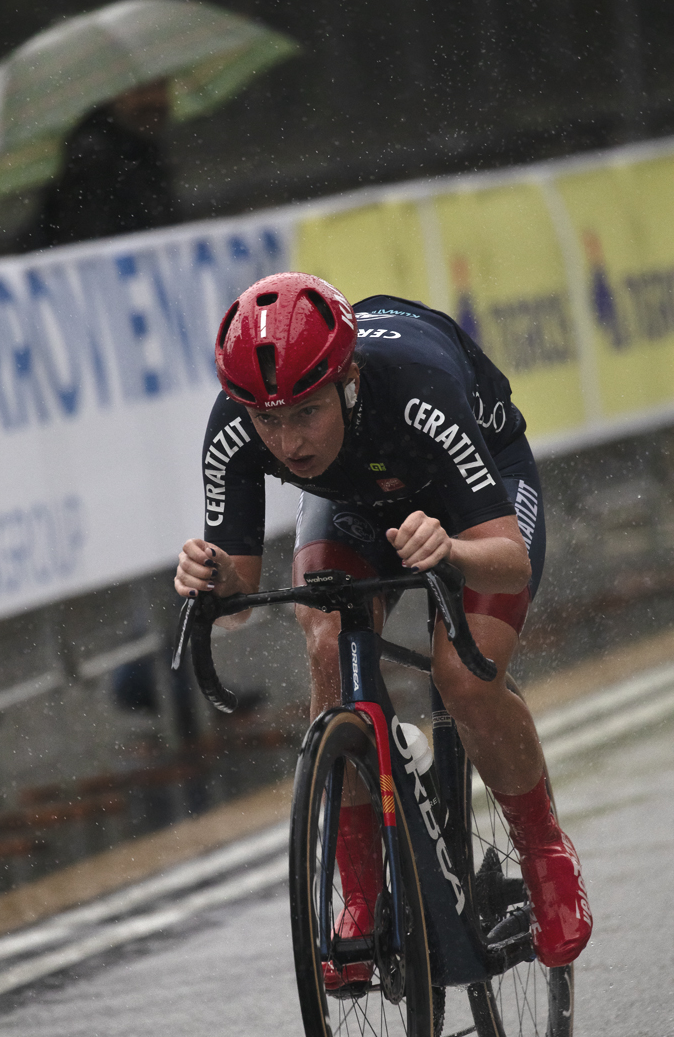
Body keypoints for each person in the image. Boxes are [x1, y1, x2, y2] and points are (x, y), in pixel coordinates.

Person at [174, 272, 592, 987]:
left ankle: (545, 852)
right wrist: (211, 577)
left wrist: (452, 551)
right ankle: (360, 891)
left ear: (349, 381)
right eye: (267, 421)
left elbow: (508, 563)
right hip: (358, 501)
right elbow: (240, 597)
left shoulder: (417, 389)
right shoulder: (237, 426)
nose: (286, 440)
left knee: (463, 675)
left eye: (305, 412)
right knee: (328, 642)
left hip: (475, 499)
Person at [26, 79, 177, 249]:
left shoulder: (146, 147)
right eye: (141, 91)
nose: (154, 100)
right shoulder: (93, 157)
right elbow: (92, 243)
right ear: (113, 95)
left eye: (161, 87)